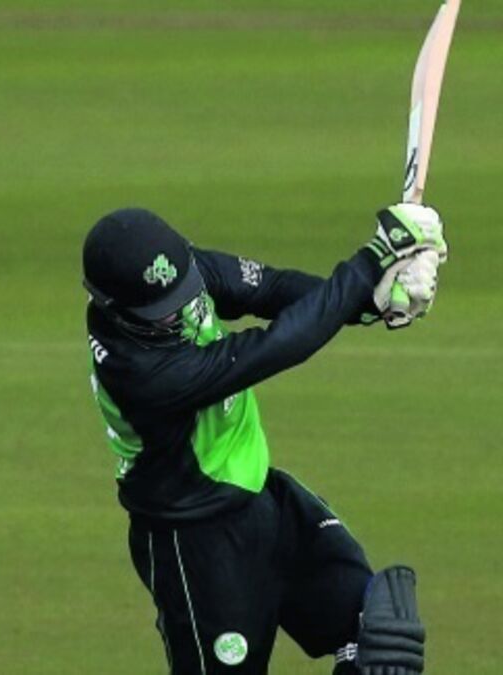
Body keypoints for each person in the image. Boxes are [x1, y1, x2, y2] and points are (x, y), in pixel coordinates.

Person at [82, 206, 445, 674]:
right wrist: (371, 262)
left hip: (263, 501)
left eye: (180, 294)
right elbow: (280, 345)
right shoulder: (142, 374)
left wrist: (372, 301)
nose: (178, 310)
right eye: (161, 311)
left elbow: (270, 288)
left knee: (382, 637)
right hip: (195, 547)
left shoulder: (174, 275)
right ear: (113, 307)